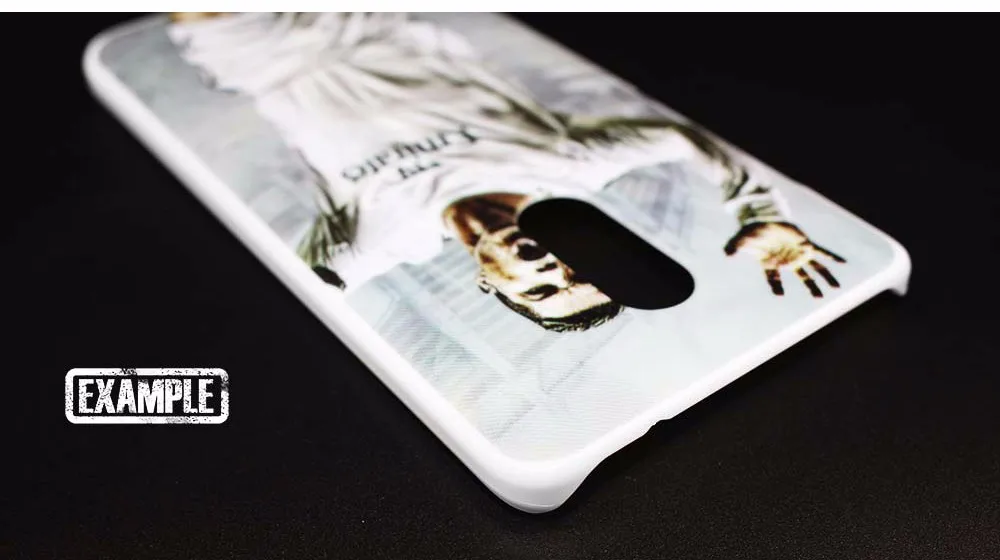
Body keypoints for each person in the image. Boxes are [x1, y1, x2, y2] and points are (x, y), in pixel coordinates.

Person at [166, 12, 846, 332]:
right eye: (579, 269)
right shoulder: (570, 168)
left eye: (543, 288)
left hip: (255, 51)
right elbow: (675, 138)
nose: (552, 266)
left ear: (492, 286)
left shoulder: (381, 242)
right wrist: (760, 212)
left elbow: (305, 287)